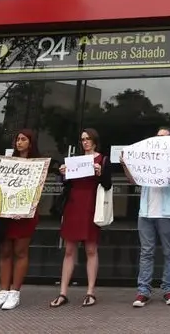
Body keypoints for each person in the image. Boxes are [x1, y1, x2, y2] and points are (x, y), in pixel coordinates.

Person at [120, 127, 170, 307]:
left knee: (169, 252)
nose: (161, 140)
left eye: (165, 138)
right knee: (146, 252)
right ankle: (143, 291)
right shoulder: (146, 156)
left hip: (166, 212)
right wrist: (124, 164)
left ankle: (168, 289)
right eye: (158, 137)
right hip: (146, 213)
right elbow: (133, 180)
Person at [50, 128, 112, 308]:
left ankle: (90, 292)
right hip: (74, 204)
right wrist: (63, 174)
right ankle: (63, 292)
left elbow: (108, 184)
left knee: (91, 249)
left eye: (88, 139)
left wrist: (100, 173)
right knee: (69, 250)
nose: (85, 142)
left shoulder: (102, 159)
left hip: (91, 205)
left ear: (95, 141)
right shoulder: (76, 160)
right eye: (83, 139)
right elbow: (66, 182)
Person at [0, 129, 42, 311]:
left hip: (24, 213)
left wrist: (24, 207)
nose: (19, 142)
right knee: (5, 251)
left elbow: (37, 191)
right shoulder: (6, 163)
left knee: (20, 251)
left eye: (23, 139)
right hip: (5, 213)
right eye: (17, 139)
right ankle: (2, 292)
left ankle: (15, 293)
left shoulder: (37, 164)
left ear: (30, 143)